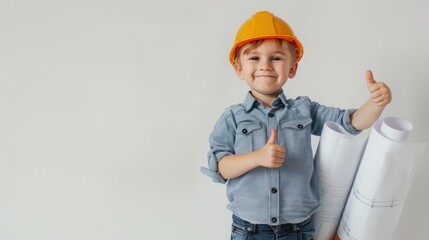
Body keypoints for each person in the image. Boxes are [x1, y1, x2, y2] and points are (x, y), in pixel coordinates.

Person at [201, 11, 391, 240]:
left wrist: (375, 103)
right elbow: (221, 168)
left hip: (299, 230)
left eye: (276, 58)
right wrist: (258, 158)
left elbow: (349, 123)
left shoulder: (304, 110)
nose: (265, 65)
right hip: (249, 231)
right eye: (254, 58)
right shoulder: (232, 117)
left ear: (292, 68)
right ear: (239, 69)